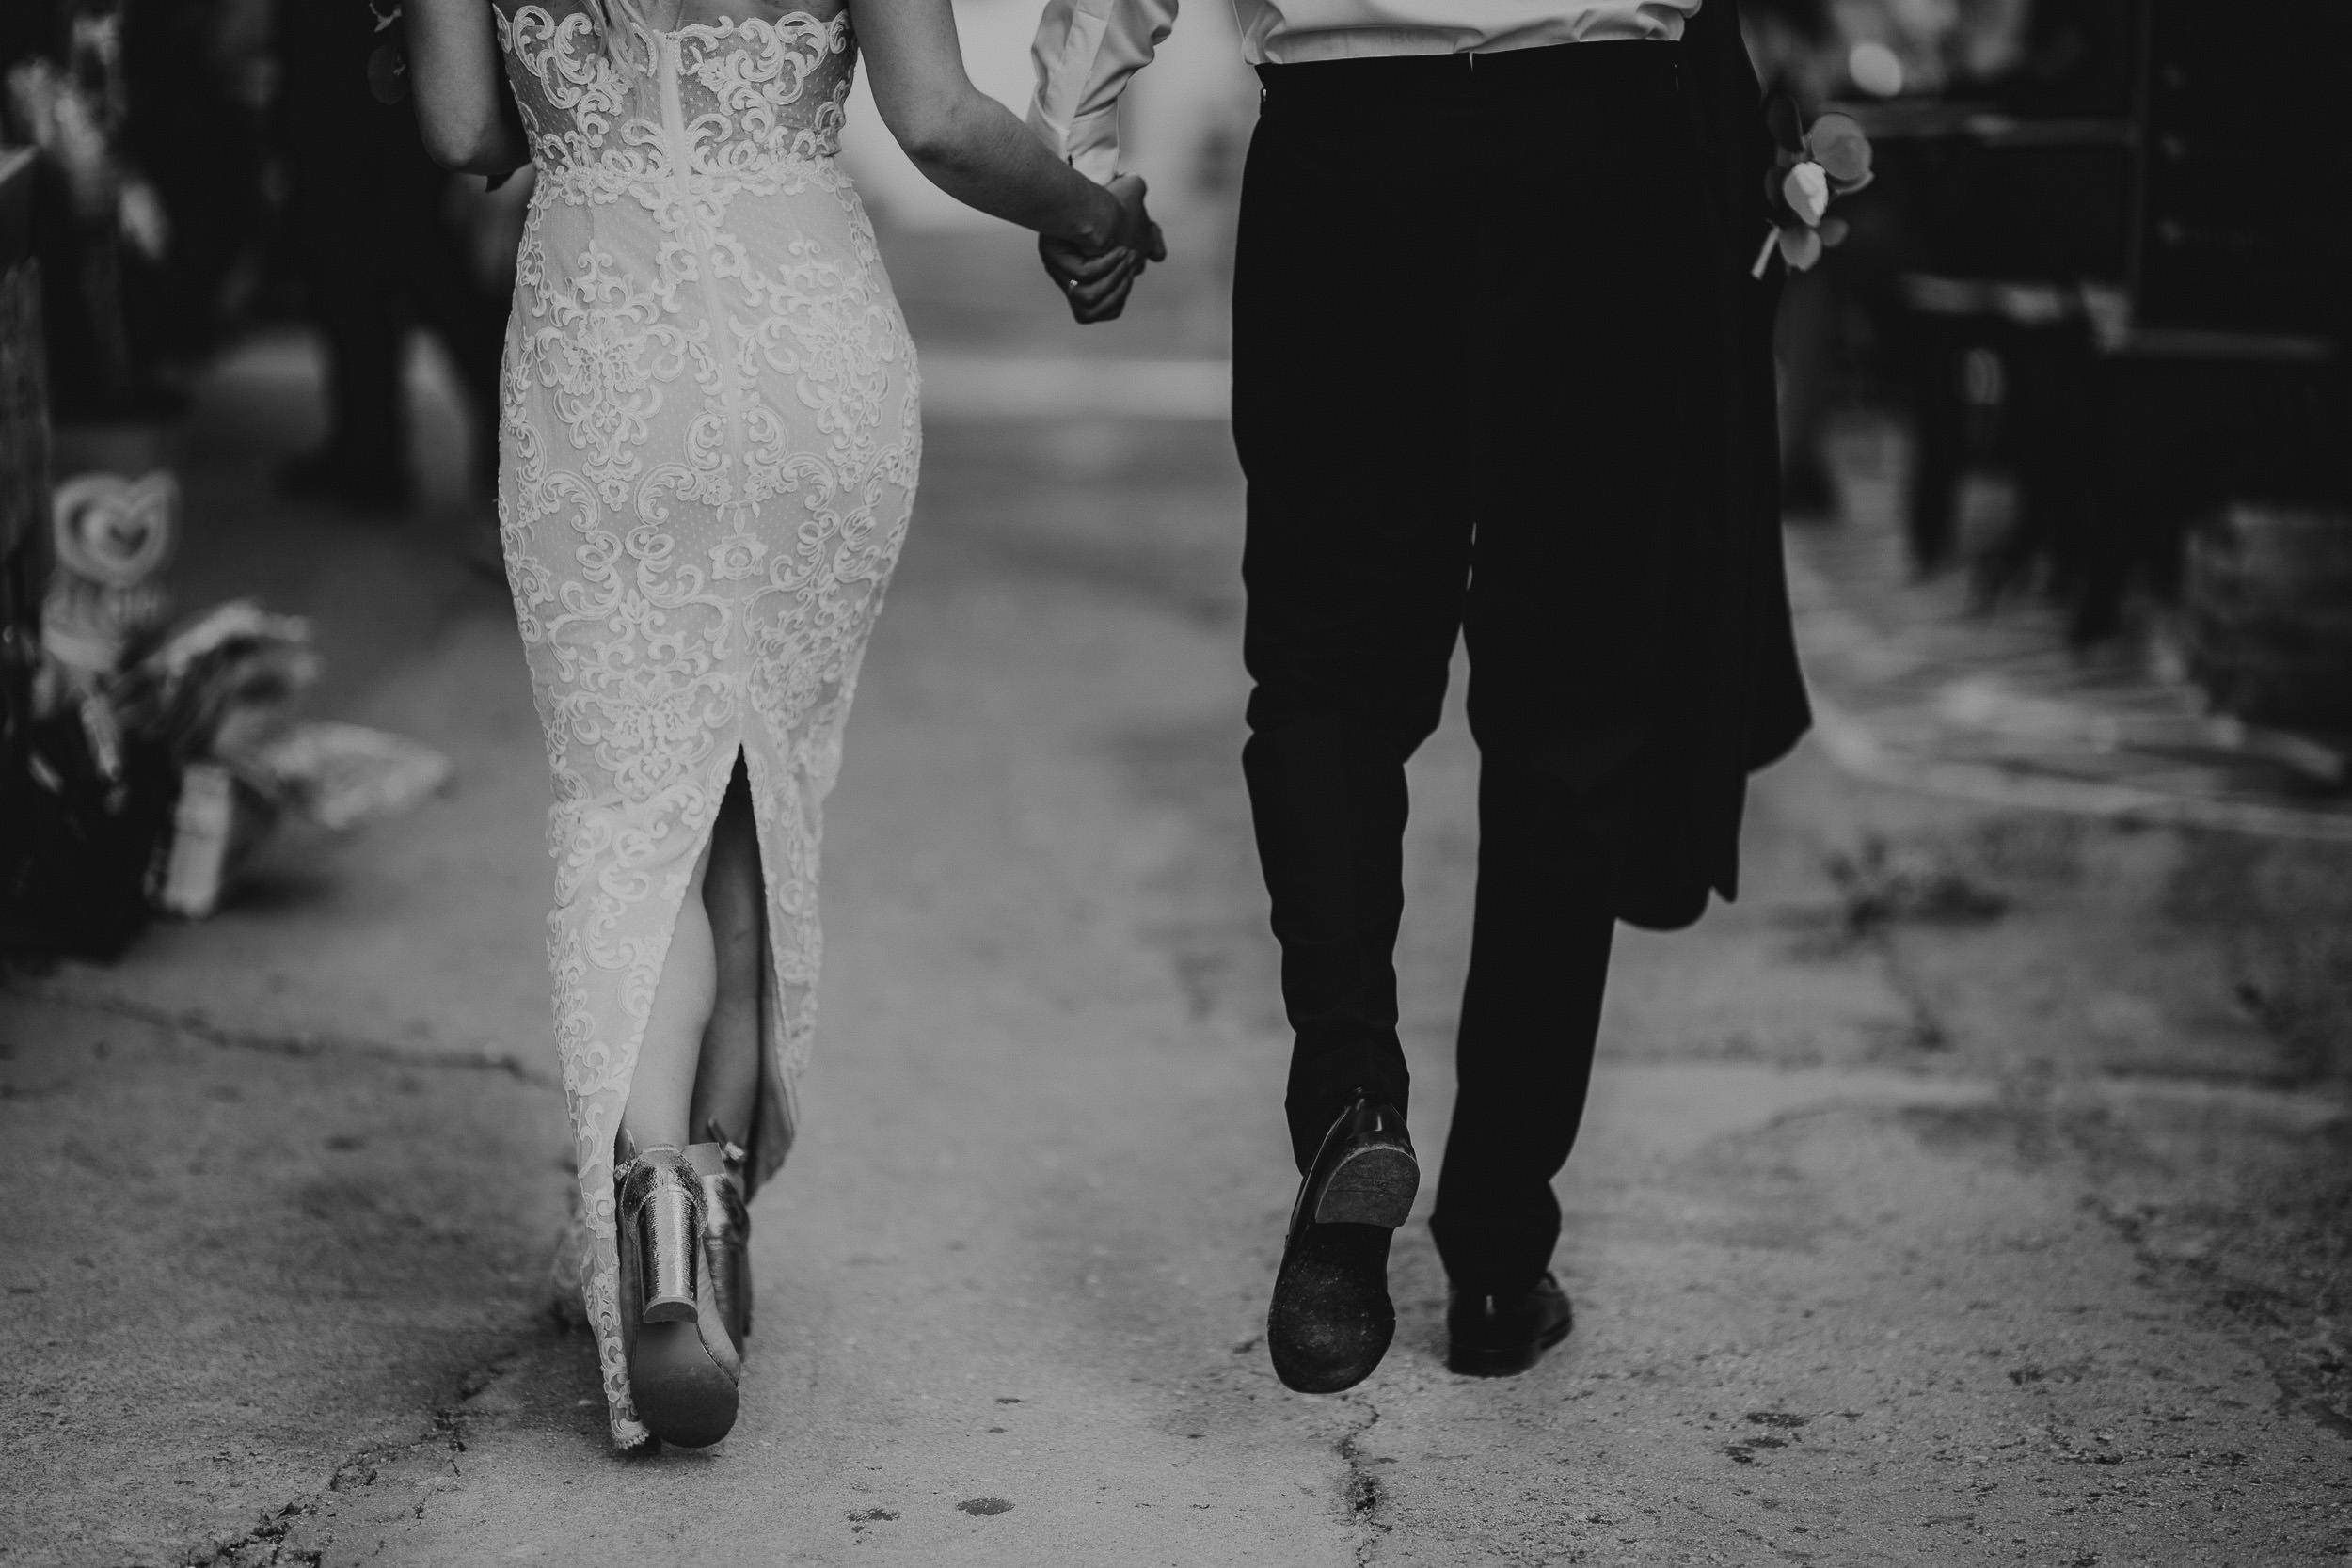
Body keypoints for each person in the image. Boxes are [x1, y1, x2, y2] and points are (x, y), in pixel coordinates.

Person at [406, 0, 1161, 1449]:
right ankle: (717, 1224)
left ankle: (666, 1205)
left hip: (603, 350)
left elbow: (461, 132)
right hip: (806, 345)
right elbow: (935, 116)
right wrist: (1087, 206)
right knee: (756, 789)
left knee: (632, 807)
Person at [1030, 0, 1812, 1391]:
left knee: (1328, 674)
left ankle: (1347, 1096)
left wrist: (1075, 153)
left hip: (1351, 154)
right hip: (1604, 150)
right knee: (1572, 714)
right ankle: (1502, 1247)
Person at [276, 0, 525, 512]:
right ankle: (367, 443)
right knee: (341, 254)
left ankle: (507, 427)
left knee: (416, 251)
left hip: (385, 56)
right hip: (329, 58)